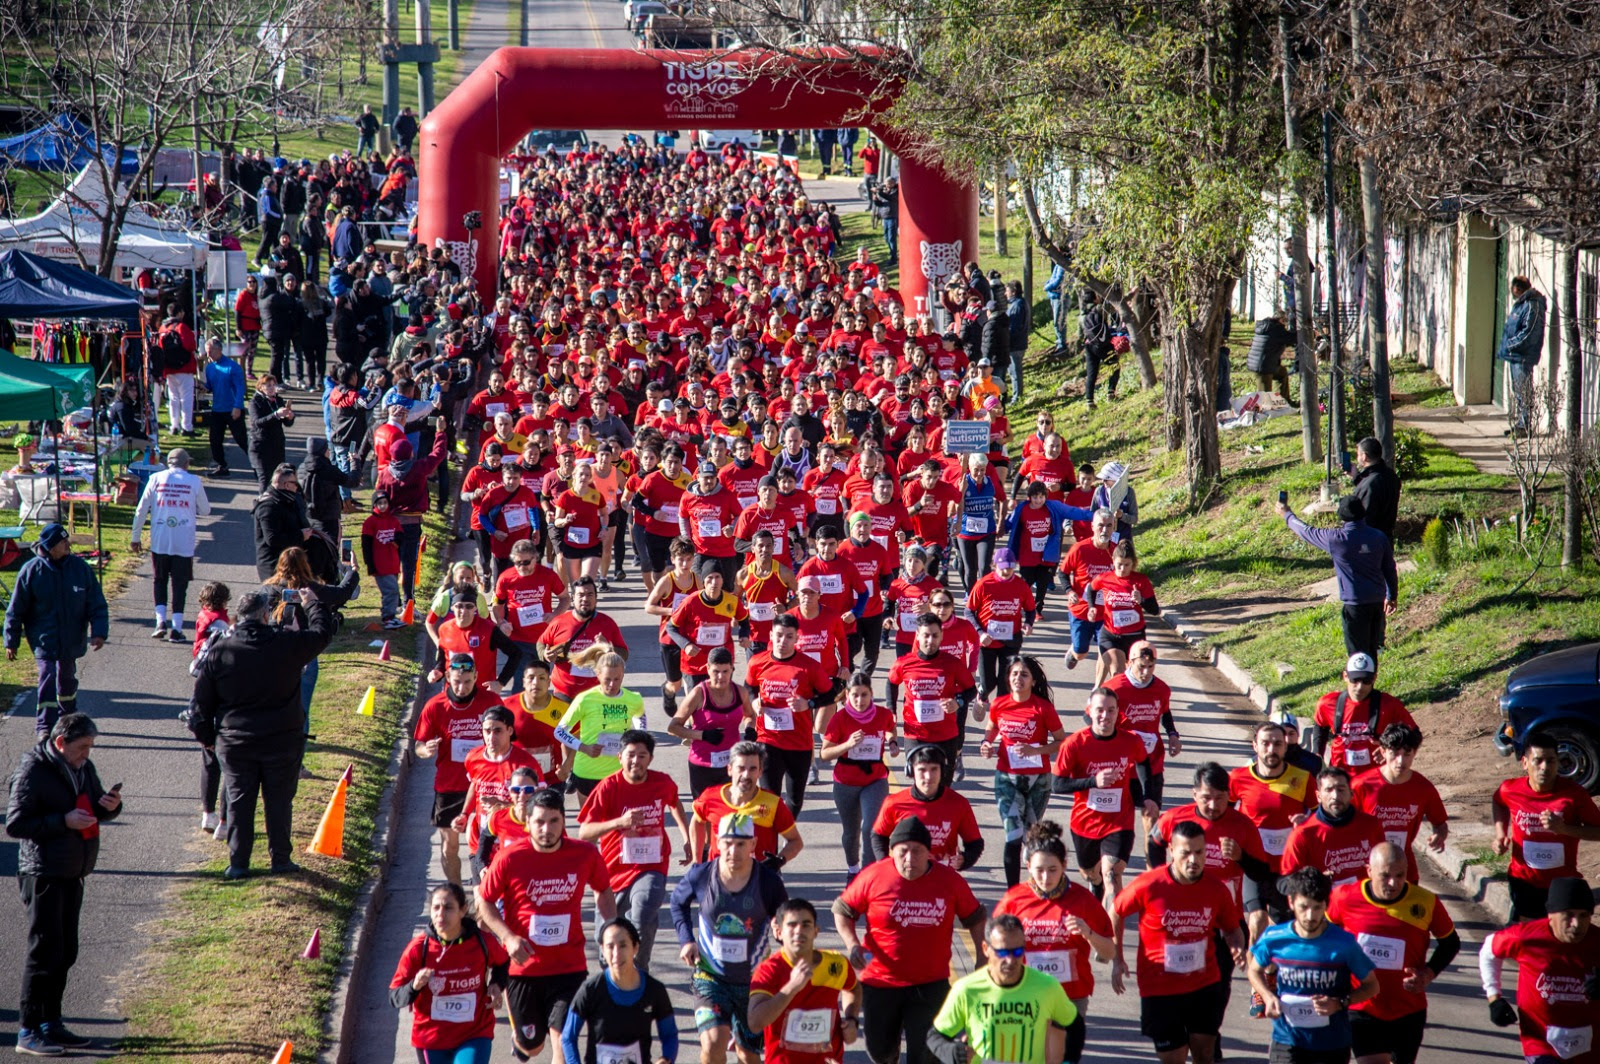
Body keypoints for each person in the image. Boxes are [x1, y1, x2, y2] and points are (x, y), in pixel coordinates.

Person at [190, 585, 334, 878]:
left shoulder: (221, 650)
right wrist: (312, 604)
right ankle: (280, 859)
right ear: (266, 616)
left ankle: (238, 863)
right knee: (279, 801)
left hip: (235, 740)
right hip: (281, 738)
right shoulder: (286, 644)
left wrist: (207, 739)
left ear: (237, 618)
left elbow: (201, 704)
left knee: (240, 800)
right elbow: (322, 634)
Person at [5, 713, 123, 1056]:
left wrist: (110, 807)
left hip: (73, 872)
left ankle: (51, 1022)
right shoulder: (32, 770)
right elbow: (16, 823)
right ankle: (28, 1031)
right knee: (43, 953)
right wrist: (63, 821)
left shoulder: (83, 768)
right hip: (42, 873)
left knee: (65, 951)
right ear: (60, 743)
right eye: (82, 747)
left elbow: (94, 805)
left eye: (90, 746)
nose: (87, 753)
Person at [475, 787, 617, 1064]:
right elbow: (485, 902)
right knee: (532, 1046)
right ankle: (524, 1044)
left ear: (564, 821)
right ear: (527, 823)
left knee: (564, 1040)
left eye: (554, 821)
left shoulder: (584, 854)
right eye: (539, 821)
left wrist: (610, 928)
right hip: (523, 968)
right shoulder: (510, 858)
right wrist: (508, 937)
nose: (546, 829)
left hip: (569, 966)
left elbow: (603, 889)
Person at [835, 816, 987, 1064]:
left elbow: (976, 916)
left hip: (930, 984)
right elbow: (842, 910)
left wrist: (982, 958)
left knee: (927, 1056)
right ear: (891, 851)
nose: (909, 858)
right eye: (903, 851)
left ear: (929, 852)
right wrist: (852, 944)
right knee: (880, 1052)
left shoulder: (949, 880)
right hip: (880, 983)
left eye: (917, 851)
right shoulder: (874, 876)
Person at [1112, 820, 1245, 1064]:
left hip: (1204, 984)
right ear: (1171, 851)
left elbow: (1232, 928)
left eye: (1199, 852)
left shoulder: (1216, 889)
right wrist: (1117, 958)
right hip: (1160, 988)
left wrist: (1237, 945)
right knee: (1173, 1058)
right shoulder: (1150, 884)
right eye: (1185, 853)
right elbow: (1116, 911)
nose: (1193, 860)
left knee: (1205, 1055)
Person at [671, 813, 790, 1064]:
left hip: (754, 983)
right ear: (717, 841)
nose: (732, 850)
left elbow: (784, 919)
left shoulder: (768, 882)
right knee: (714, 1043)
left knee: (748, 1056)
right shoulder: (702, 875)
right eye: (727, 842)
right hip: (710, 977)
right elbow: (677, 902)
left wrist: (782, 931)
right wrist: (686, 940)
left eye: (740, 843)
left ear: (753, 845)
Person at [1327, 843, 1461, 1064]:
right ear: (1368, 870)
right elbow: (1323, 936)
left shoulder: (1426, 902)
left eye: (1400, 875)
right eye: (1385, 875)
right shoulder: (1344, 898)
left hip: (1408, 1009)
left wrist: (1428, 974)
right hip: (1363, 1006)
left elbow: (1450, 943)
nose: (1393, 883)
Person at [577, 730, 693, 972]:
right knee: (607, 932)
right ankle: (613, 973)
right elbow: (584, 832)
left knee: (641, 915)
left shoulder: (662, 782)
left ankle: (638, 971)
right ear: (620, 757)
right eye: (630, 755)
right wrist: (619, 823)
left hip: (652, 866)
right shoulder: (608, 788)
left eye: (642, 756)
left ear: (650, 759)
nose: (636, 761)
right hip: (612, 872)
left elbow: (674, 803)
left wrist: (686, 837)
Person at [993, 820, 1112, 1049]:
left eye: (1052, 870)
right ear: (1027, 865)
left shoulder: (1083, 900)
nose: (1046, 878)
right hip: (1024, 995)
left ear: (1065, 864)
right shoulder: (1014, 900)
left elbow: (1109, 950)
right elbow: (993, 950)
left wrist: (1087, 932)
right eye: (1039, 870)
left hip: (1070, 998)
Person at [1248, 867, 1381, 1064]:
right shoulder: (1274, 938)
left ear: (1326, 905)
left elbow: (1372, 986)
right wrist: (1268, 997)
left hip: (1332, 1044)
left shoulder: (1344, 943)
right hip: (1287, 1041)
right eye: (1304, 907)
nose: (1310, 916)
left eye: (1317, 907)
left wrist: (1340, 1003)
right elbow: (1254, 970)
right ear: (1291, 902)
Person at [3, 523, 110, 739]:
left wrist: (99, 632)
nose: (68, 544)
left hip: (71, 639)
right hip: (44, 639)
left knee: (67, 680)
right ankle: (44, 725)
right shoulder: (32, 571)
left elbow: (96, 602)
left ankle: (68, 721)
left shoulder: (80, 569)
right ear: (51, 546)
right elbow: (16, 609)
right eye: (63, 542)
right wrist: (11, 640)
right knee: (48, 674)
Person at [926, 914, 1079, 1064]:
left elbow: (1074, 1024)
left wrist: (1068, 1061)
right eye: (1002, 952)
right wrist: (953, 1052)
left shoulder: (1047, 986)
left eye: (1017, 952)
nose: (1010, 960)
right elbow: (935, 1037)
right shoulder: (967, 989)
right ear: (986, 949)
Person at [1052, 686, 1154, 908]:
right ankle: (1094, 883)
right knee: (1091, 873)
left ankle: (1111, 932)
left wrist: (1148, 796)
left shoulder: (1131, 741)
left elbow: (1144, 762)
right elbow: (1057, 785)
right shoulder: (1074, 744)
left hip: (1119, 822)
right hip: (1084, 822)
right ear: (1089, 711)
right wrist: (1093, 782)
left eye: (1111, 710)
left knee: (1112, 874)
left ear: (1118, 712)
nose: (1105, 716)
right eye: (1100, 710)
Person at [1479, 876, 1600, 1062]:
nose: (1576, 924)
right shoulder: (1527, 938)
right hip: (1541, 1044)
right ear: (1551, 914)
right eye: (1568, 915)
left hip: (1592, 1046)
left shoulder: (1597, 940)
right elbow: (1488, 950)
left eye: (1584, 915)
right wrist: (1494, 997)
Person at [388, 882, 510, 1064]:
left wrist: (496, 985)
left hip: (475, 1032)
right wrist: (414, 986)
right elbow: (394, 997)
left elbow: (504, 962)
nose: (441, 914)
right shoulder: (418, 949)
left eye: (448, 907)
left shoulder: (482, 942)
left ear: (463, 910)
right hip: (432, 1038)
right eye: (436, 908)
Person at [414, 653, 507, 885]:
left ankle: (486, 892)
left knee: (492, 844)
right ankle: (457, 895)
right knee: (449, 845)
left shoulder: (491, 701)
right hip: (449, 785)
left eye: (467, 681)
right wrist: (428, 750)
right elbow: (418, 746)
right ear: (447, 677)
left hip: (487, 784)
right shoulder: (435, 706)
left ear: (476, 676)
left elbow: (509, 736)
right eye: (456, 681)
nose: (462, 687)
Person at [1493, 728, 1600, 920]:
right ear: (1525, 763)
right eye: (1538, 761)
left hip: (1561, 884)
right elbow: (1498, 801)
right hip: (1523, 880)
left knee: (1557, 939)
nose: (1544, 767)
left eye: (1551, 761)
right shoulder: (1511, 789)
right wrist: (1500, 834)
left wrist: (1563, 829)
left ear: (1558, 763)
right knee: (1529, 937)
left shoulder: (1574, 795)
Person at [1276, 494, 1397, 659]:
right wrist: (1392, 596)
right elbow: (1389, 568)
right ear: (1363, 513)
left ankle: (1359, 681)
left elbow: (1306, 531)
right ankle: (1371, 679)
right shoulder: (1379, 537)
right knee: (1372, 650)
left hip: (1354, 605)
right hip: (1377, 603)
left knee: (1357, 656)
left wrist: (1287, 515)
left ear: (1342, 516)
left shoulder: (1336, 539)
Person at [980, 655, 1066, 886]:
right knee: (1013, 835)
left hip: (1038, 780)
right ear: (1008, 678)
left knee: (1030, 836)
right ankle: (1012, 891)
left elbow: (1061, 742)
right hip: (1007, 778)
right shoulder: (999, 704)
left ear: (1033, 681)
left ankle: (1035, 886)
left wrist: (1034, 750)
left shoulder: (1043, 708)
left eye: (1024, 674)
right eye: (1014, 673)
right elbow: (991, 731)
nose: (1018, 678)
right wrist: (986, 745)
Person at [1230, 721, 1318, 941]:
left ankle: (1270, 970)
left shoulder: (1303, 779)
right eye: (1265, 743)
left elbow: (1321, 818)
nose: (1271, 749)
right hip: (1253, 864)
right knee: (1257, 919)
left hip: (1288, 866)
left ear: (1285, 747)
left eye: (1277, 744)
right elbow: (1223, 814)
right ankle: (1255, 969)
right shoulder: (1238, 778)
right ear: (1255, 746)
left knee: (1283, 927)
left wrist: (1306, 822)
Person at [745, 614, 840, 815]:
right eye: (779, 636)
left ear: (797, 638)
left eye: (789, 637)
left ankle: (787, 840)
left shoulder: (809, 666)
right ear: (771, 635)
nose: (783, 642)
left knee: (794, 802)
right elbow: (749, 687)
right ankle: (769, 846)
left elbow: (831, 694)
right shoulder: (757, 662)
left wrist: (809, 703)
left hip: (799, 744)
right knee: (768, 800)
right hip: (768, 741)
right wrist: (754, 701)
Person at [748, 899, 861, 1064]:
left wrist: (852, 1019)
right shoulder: (768, 970)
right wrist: (792, 987)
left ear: (816, 931)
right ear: (778, 932)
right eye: (792, 925)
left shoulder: (836, 964)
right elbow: (755, 1023)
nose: (799, 931)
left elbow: (853, 989)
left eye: (806, 925)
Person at [560, 918, 680, 1064]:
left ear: (635, 947)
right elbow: (568, 1037)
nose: (616, 954)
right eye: (610, 946)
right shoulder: (590, 990)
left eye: (623, 946)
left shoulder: (654, 990)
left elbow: (670, 1035)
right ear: (602, 950)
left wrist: (666, 1058)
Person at [818, 671, 899, 881]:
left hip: (875, 779)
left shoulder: (883, 714)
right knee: (851, 833)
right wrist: (847, 745)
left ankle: (868, 875)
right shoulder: (840, 718)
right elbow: (825, 753)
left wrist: (892, 742)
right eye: (855, 695)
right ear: (847, 695)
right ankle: (853, 869)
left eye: (864, 695)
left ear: (871, 694)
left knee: (871, 828)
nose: (860, 700)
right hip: (846, 782)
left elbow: (890, 729)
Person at [131, 447, 212, 642]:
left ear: (169, 463)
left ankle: (160, 621)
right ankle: (176, 628)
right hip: (183, 541)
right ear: (187, 464)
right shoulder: (194, 481)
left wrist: (136, 536)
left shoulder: (156, 478)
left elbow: (141, 509)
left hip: (160, 539)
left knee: (159, 580)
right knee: (180, 584)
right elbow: (206, 510)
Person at [1351, 723, 1448, 885]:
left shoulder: (1423, 788)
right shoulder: (1361, 785)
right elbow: (1343, 825)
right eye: (1394, 753)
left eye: (1407, 753)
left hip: (1404, 870)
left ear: (1414, 753)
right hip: (1367, 871)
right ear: (1383, 752)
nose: (1400, 761)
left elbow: (1440, 822)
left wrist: (1439, 835)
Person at [1105, 639, 1180, 840]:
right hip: (1122, 765)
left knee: (1152, 813)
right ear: (1129, 663)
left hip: (1152, 762)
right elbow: (1091, 716)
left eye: (1150, 667)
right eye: (1141, 667)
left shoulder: (1161, 689)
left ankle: (1151, 862)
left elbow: (1165, 711)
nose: (1146, 672)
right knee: (1119, 819)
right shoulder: (1114, 688)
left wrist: (1173, 734)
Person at [690, 742, 805, 866]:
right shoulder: (711, 798)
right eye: (741, 768)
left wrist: (779, 860)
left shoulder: (772, 803)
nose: (746, 775)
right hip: (719, 879)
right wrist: (697, 861)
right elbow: (697, 822)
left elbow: (795, 841)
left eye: (752, 769)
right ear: (729, 769)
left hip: (758, 880)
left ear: (760, 772)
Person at [553, 646, 645, 797]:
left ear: (623, 675)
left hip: (619, 772)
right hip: (587, 772)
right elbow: (560, 732)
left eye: (617, 679)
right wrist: (583, 747)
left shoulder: (634, 699)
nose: (612, 685)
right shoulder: (585, 699)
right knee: (589, 821)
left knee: (616, 820)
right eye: (607, 679)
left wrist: (634, 743)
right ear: (598, 674)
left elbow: (641, 726)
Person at [1309, 652, 1417, 774]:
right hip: (1340, 778)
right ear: (1345, 676)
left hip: (1377, 777)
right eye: (1355, 680)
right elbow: (1320, 726)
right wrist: (1317, 754)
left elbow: (1414, 734)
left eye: (1366, 681)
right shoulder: (1328, 703)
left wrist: (1391, 751)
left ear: (1374, 678)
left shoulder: (1390, 705)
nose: (1360, 687)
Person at [1281, 766, 1387, 888]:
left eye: (1341, 790)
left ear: (1351, 793)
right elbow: (1287, 882)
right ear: (1318, 796)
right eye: (1328, 790)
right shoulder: (1303, 834)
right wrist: (1316, 882)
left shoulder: (1371, 825)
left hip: (1364, 904)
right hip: (1326, 905)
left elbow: (1384, 866)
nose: (1335, 796)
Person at [1059, 509, 1115, 680]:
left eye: (1108, 526)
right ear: (1092, 527)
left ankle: (1105, 687)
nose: (1104, 530)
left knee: (1107, 651)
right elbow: (1062, 573)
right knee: (1081, 652)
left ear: (1114, 528)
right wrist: (1069, 591)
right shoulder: (1080, 549)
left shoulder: (1116, 552)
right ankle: (1074, 651)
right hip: (1081, 610)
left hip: (1105, 612)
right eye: (1100, 526)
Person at [1496, 275, 1547, 435]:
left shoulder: (1532, 305)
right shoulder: (1522, 304)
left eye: (1515, 289)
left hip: (1522, 355)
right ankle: (1520, 424)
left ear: (1518, 289)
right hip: (1515, 355)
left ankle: (1524, 425)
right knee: (1518, 391)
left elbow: (1530, 332)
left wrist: (1512, 345)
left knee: (1524, 391)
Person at [201, 337, 249, 477]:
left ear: (219, 350)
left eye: (210, 352)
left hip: (232, 409)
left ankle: (258, 464)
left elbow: (240, 388)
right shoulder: (210, 368)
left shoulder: (232, 367)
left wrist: (238, 406)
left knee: (241, 439)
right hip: (217, 409)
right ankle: (222, 465)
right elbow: (210, 386)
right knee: (214, 440)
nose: (208, 355)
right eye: (207, 352)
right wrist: (203, 387)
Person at [248, 373, 297, 489]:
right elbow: (257, 422)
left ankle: (277, 505)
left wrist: (290, 417)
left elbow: (286, 423)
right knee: (265, 480)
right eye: (268, 385)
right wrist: (275, 415)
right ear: (261, 387)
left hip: (276, 446)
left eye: (273, 385)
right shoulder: (255, 402)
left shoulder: (278, 400)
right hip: (261, 447)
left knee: (279, 479)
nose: (272, 388)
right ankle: (263, 505)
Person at [1349, 437, 1400, 542]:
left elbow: (1366, 517)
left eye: (1358, 454)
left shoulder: (1369, 484)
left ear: (1364, 457)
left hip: (1371, 541)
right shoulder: (1391, 475)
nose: (1357, 457)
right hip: (1387, 538)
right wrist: (1356, 477)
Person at [1245, 312, 1296, 404]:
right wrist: (1309, 334)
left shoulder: (1267, 327)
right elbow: (1292, 338)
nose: (1285, 324)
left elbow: (1283, 340)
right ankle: (1265, 411)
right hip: (1263, 366)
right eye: (1285, 321)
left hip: (1264, 362)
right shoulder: (1276, 329)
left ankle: (1283, 401)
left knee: (1282, 373)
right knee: (1264, 394)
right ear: (1281, 320)